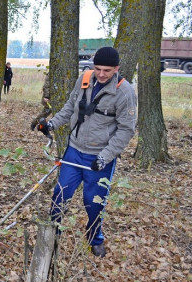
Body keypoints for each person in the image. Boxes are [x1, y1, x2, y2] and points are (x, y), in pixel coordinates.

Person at [37, 47, 137, 258]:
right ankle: (52, 233)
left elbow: (126, 129)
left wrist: (105, 156)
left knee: (93, 202)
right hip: (74, 151)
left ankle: (95, 238)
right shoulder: (84, 79)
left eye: (107, 71)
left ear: (116, 69)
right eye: (98, 68)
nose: (101, 74)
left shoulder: (125, 91)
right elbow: (70, 107)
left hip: (99, 158)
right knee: (60, 194)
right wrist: (52, 124)